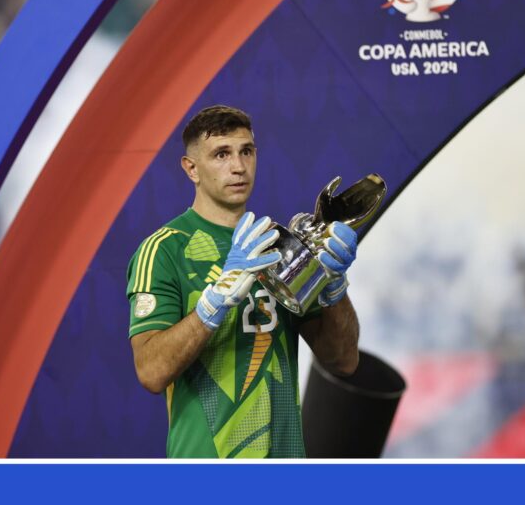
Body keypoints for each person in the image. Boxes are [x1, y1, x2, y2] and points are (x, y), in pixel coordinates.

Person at [126, 105, 360, 457]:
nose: (238, 166)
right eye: (221, 154)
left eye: (246, 151)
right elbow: (151, 372)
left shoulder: (279, 245)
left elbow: (343, 362)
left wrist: (334, 288)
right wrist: (213, 304)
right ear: (191, 168)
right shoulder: (164, 250)